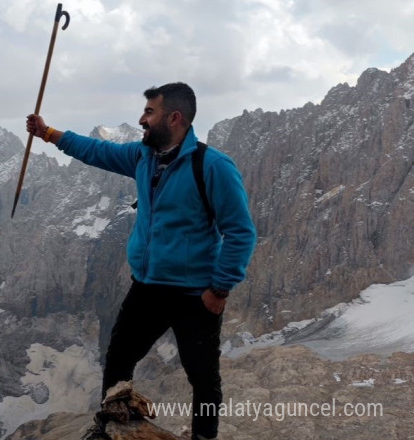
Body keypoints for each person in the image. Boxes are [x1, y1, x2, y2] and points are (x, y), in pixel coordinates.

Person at [26, 82, 256, 440]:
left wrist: (219, 289)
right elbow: (97, 151)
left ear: (175, 118)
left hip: (195, 295)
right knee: (118, 357)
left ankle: (204, 437)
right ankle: (111, 426)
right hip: (148, 287)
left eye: (150, 112)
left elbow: (241, 232)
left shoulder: (212, 166)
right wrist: (49, 133)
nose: (142, 119)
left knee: (203, 378)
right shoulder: (143, 157)